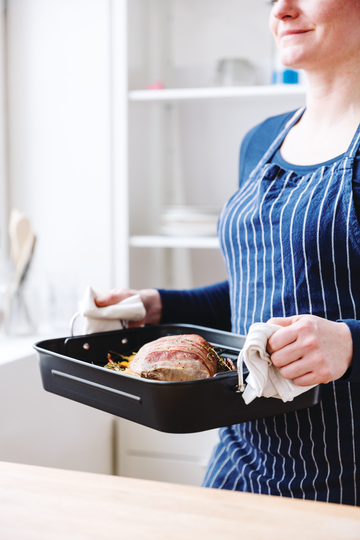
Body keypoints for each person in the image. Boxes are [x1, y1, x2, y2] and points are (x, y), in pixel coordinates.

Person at [96, 0, 360, 505]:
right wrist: (161, 305)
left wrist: (350, 342)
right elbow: (261, 289)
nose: (282, 10)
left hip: (346, 470)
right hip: (240, 454)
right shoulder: (260, 140)